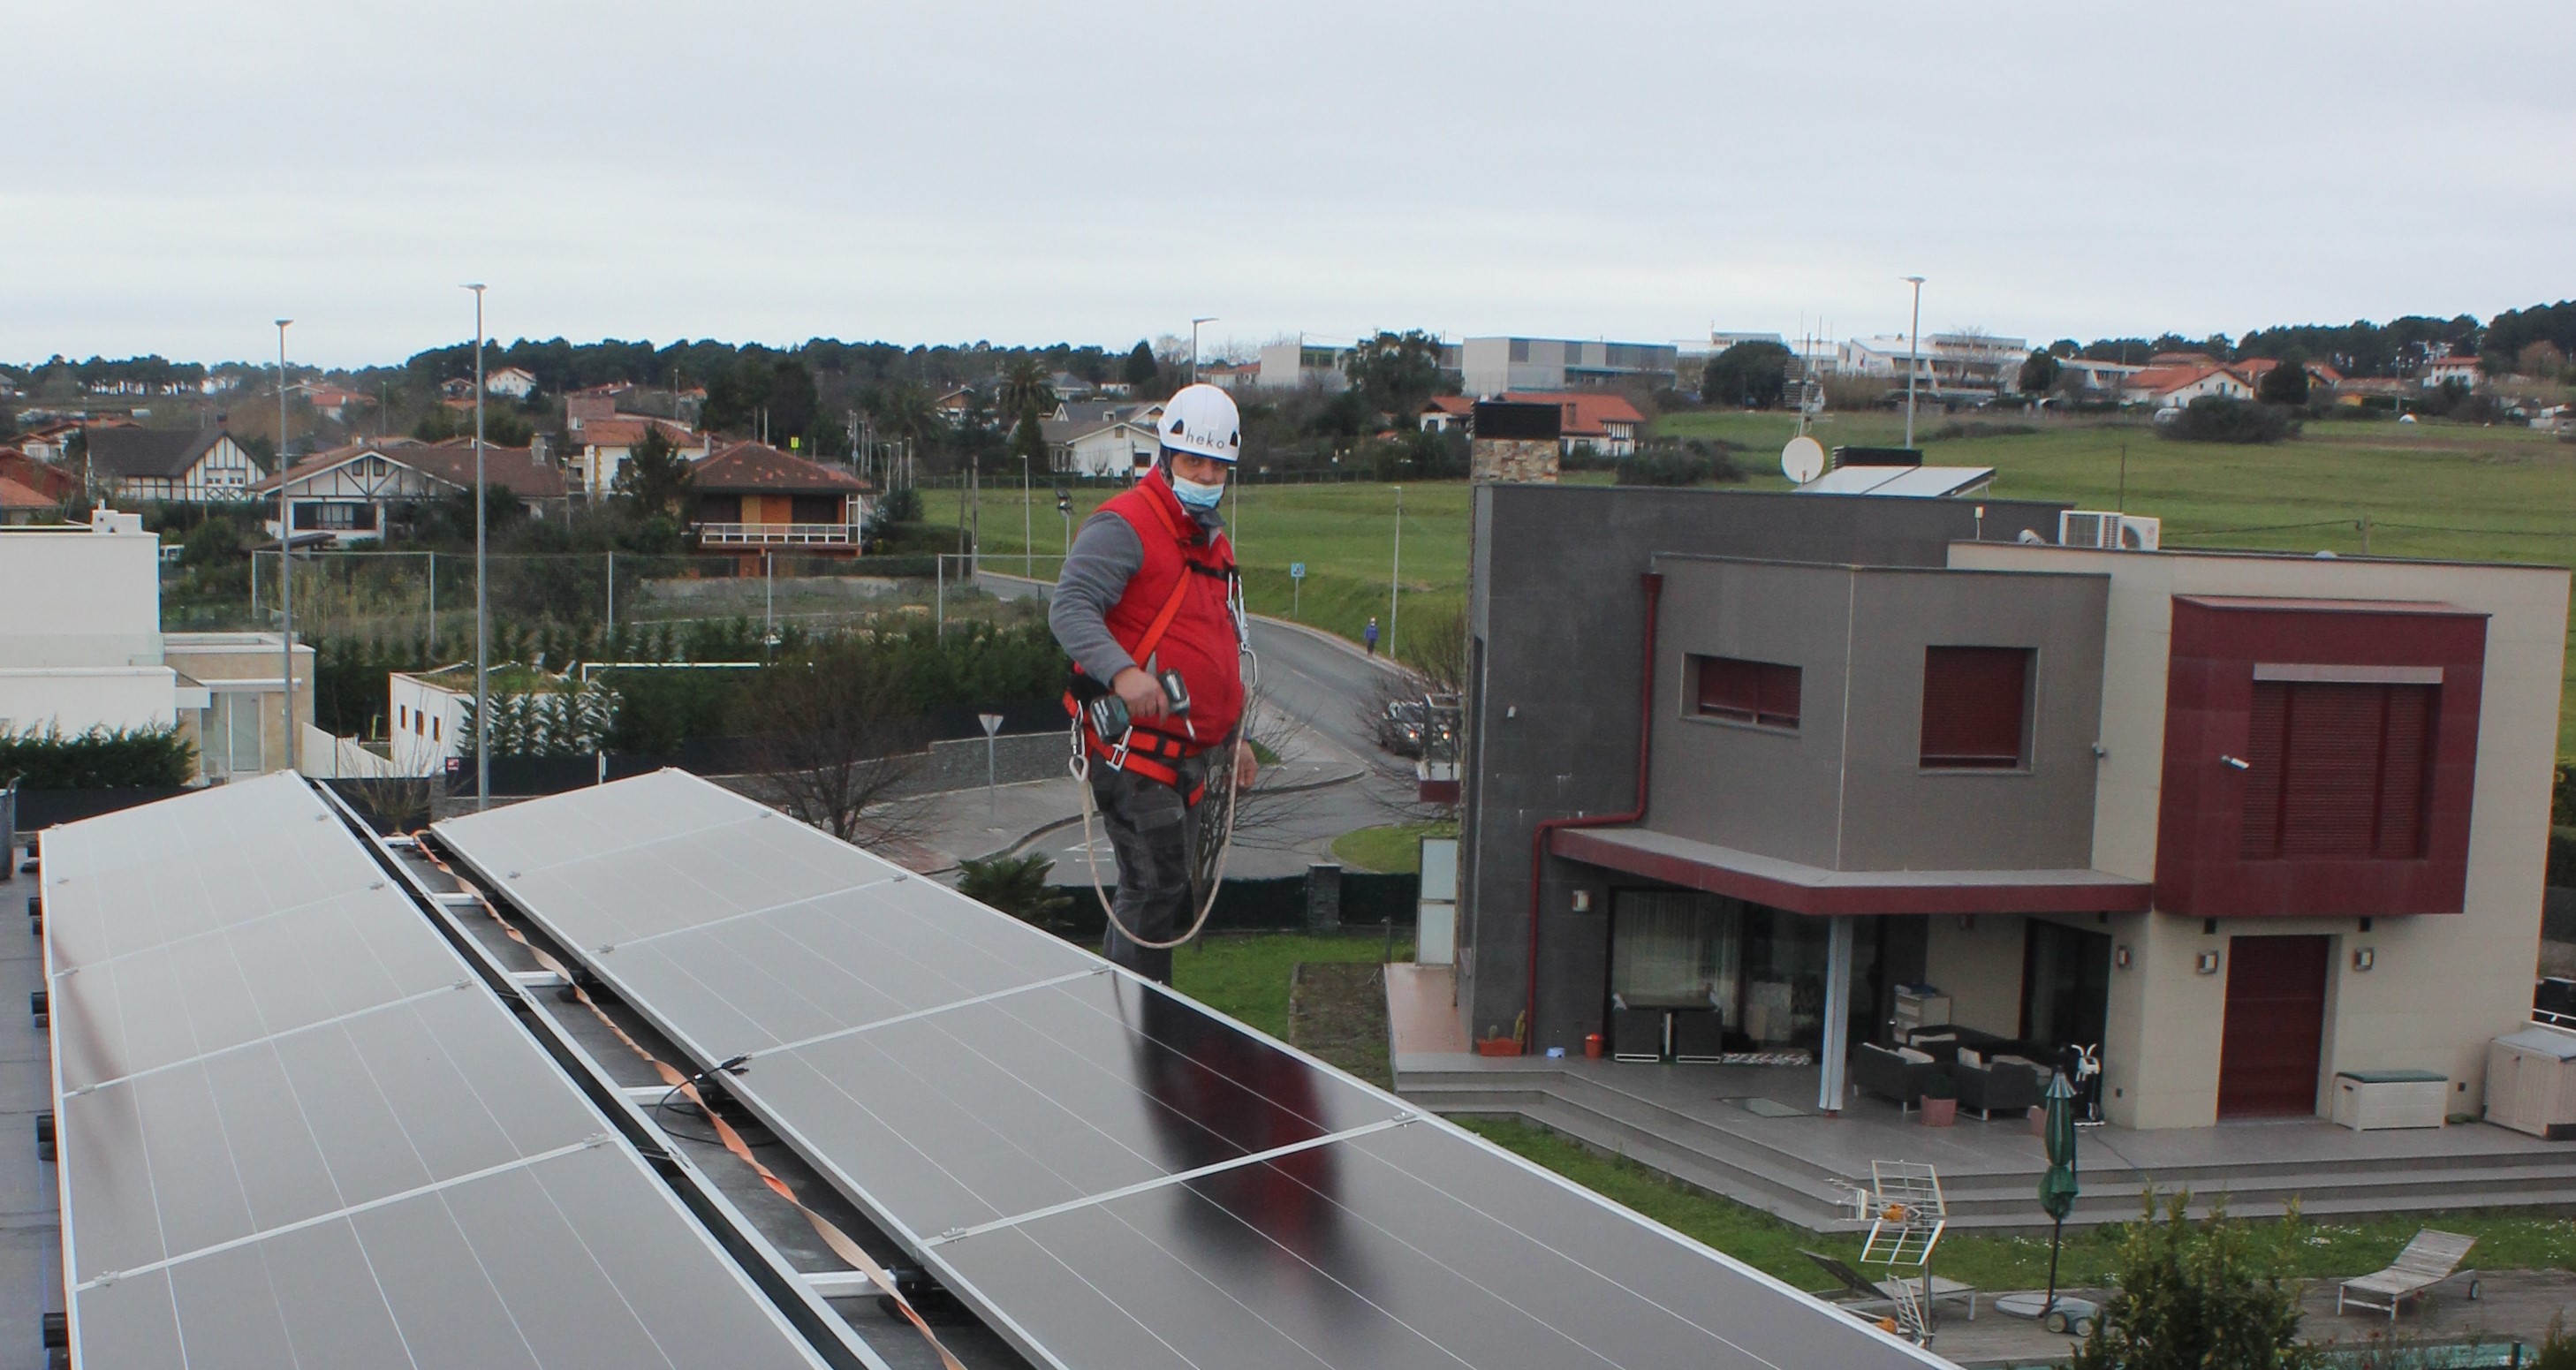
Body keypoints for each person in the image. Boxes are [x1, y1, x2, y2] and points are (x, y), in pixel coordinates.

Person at [1049, 383, 1258, 984]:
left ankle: (1148, 1013)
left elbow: (1215, 646)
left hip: (1185, 755)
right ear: (1166, 457)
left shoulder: (1210, 542)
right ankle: (1131, 1025)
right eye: (1194, 461)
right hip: (1134, 750)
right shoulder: (1125, 525)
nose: (1206, 473)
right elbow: (1069, 608)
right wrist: (1124, 671)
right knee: (1153, 885)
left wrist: (1232, 737)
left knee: (1165, 892)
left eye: (1218, 464)